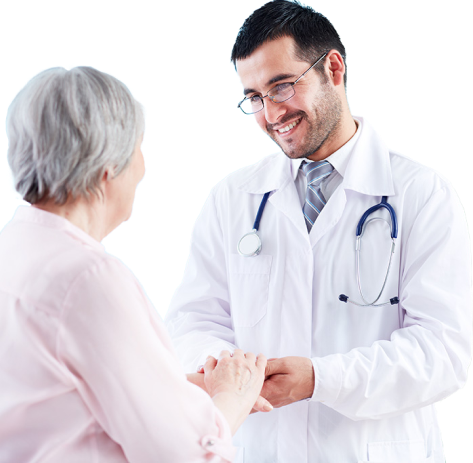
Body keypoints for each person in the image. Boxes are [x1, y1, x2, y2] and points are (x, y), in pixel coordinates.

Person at [164, 1, 472, 462]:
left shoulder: (420, 195)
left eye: (281, 86)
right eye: (254, 97)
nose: (270, 115)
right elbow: (193, 321)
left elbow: (442, 353)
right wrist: (228, 371)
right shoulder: (233, 199)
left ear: (333, 68)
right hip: (259, 449)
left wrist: (321, 379)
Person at [0, 64, 273, 463]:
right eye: (139, 150)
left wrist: (173, 389)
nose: (143, 168)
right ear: (107, 167)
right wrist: (233, 395)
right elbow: (186, 455)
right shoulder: (87, 278)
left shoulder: (15, 250)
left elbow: (57, 400)